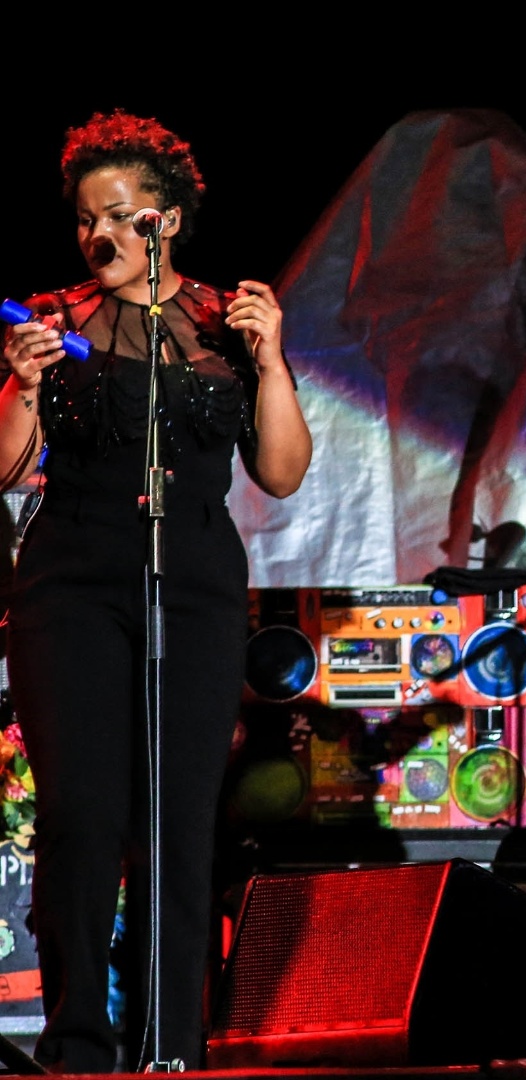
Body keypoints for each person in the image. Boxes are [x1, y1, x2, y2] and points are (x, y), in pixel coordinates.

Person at [0, 109, 312, 1071]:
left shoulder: (222, 322)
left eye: (122, 216)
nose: (100, 236)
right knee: (84, 819)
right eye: (88, 219)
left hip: (199, 586)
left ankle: (172, 1043)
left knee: (177, 821)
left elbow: (284, 471)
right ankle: (79, 1045)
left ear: (166, 219)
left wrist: (272, 360)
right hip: (73, 583)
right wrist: (18, 388)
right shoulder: (52, 324)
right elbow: (9, 472)